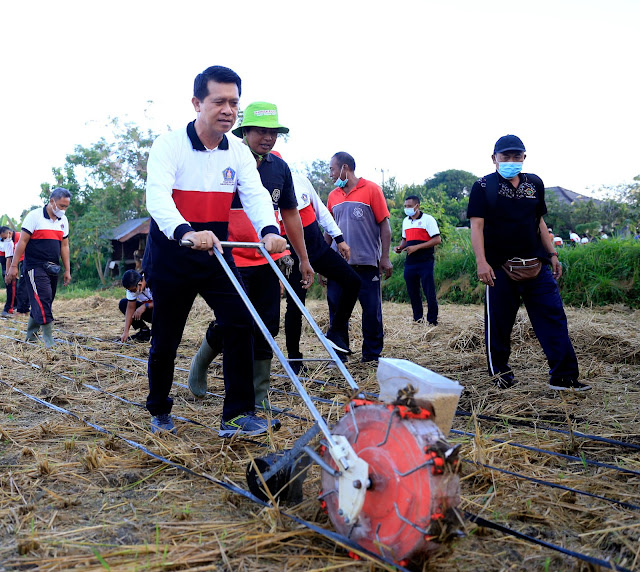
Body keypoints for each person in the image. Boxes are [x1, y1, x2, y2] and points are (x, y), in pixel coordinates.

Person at [144, 66, 287, 436]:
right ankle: (159, 408)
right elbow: (157, 197)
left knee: (240, 322)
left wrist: (270, 231)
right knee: (166, 336)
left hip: (216, 253)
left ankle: (236, 415)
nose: (228, 110)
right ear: (197, 103)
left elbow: (254, 195)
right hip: (174, 252)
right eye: (219, 101)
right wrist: (185, 232)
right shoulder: (169, 145)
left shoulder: (237, 152)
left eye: (234, 103)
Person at [187, 101, 314, 409]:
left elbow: (291, 215)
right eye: (260, 131)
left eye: (273, 132)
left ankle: (259, 397)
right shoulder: (225, 160)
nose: (267, 137)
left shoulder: (279, 169)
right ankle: (201, 362)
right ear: (245, 131)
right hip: (229, 258)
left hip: (264, 259)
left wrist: (303, 258)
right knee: (234, 323)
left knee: (268, 325)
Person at [467, 134, 588, 391]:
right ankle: (500, 376)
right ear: (494, 159)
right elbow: (477, 227)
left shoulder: (534, 184)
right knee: (499, 324)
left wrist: (552, 254)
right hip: (499, 267)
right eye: (505, 156)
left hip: (537, 265)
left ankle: (564, 377)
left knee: (553, 318)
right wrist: (481, 262)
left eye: (516, 156)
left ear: (524, 158)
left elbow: (540, 223)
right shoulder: (483, 187)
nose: (511, 161)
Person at [283, 170, 361, 374]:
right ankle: (294, 361)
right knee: (295, 306)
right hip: (292, 255)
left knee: (353, 281)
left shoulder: (298, 177)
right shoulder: (263, 187)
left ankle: (336, 331)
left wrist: (339, 238)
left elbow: (320, 211)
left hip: (318, 249)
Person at [325, 152, 392, 363]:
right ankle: (340, 355)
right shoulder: (333, 196)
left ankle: (371, 356)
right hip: (338, 267)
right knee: (337, 312)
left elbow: (385, 226)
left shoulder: (372, 189)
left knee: (371, 311)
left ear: (345, 168)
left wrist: (385, 257)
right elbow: (328, 231)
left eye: (332, 169)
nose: (330, 174)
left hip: (366, 264)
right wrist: (322, 263)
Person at [5, 188, 72, 348]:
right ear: (52, 201)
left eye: (66, 207)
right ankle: (49, 340)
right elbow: (22, 242)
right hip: (34, 266)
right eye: (61, 205)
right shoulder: (34, 216)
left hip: (53, 267)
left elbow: (65, 245)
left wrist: (67, 269)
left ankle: (31, 337)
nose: (63, 209)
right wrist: (14, 266)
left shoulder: (63, 221)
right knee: (43, 298)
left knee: (45, 299)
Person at [393, 195, 441, 325]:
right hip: (410, 262)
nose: (406, 208)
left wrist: (417, 247)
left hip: (425, 261)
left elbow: (437, 239)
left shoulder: (428, 219)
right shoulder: (405, 221)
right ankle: (418, 319)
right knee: (413, 291)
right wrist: (400, 247)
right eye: (405, 206)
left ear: (417, 206)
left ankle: (432, 321)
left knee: (428, 291)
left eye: (409, 206)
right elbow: (405, 240)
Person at [1, 226, 29, 316]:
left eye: (4, 238)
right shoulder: (8, 241)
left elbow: (10, 257)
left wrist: (11, 271)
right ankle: (20, 308)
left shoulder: (20, 237)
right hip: (17, 263)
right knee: (19, 286)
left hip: (25, 261)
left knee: (21, 286)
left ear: (9, 233)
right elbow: (8, 257)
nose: (4, 240)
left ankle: (19, 309)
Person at [119, 269, 153, 342]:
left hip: (165, 313)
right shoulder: (132, 289)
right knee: (123, 303)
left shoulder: (153, 280)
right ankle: (144, 330)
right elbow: (130, 308)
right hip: (152, 312)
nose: (132, 292)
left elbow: (164, 302)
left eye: (133, 290)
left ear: (139, 283)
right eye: (130, 291)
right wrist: (126, 331)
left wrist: (145, 306)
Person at [1, 228, 16, 316]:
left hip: (9, 267)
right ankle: (15, 305)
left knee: (11, 287)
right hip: (3, 266)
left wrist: (7, 273)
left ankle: (8, 309)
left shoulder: (9, 242)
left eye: (4, 237)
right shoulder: (3, 242)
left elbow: (9, 259)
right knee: (9, 288)